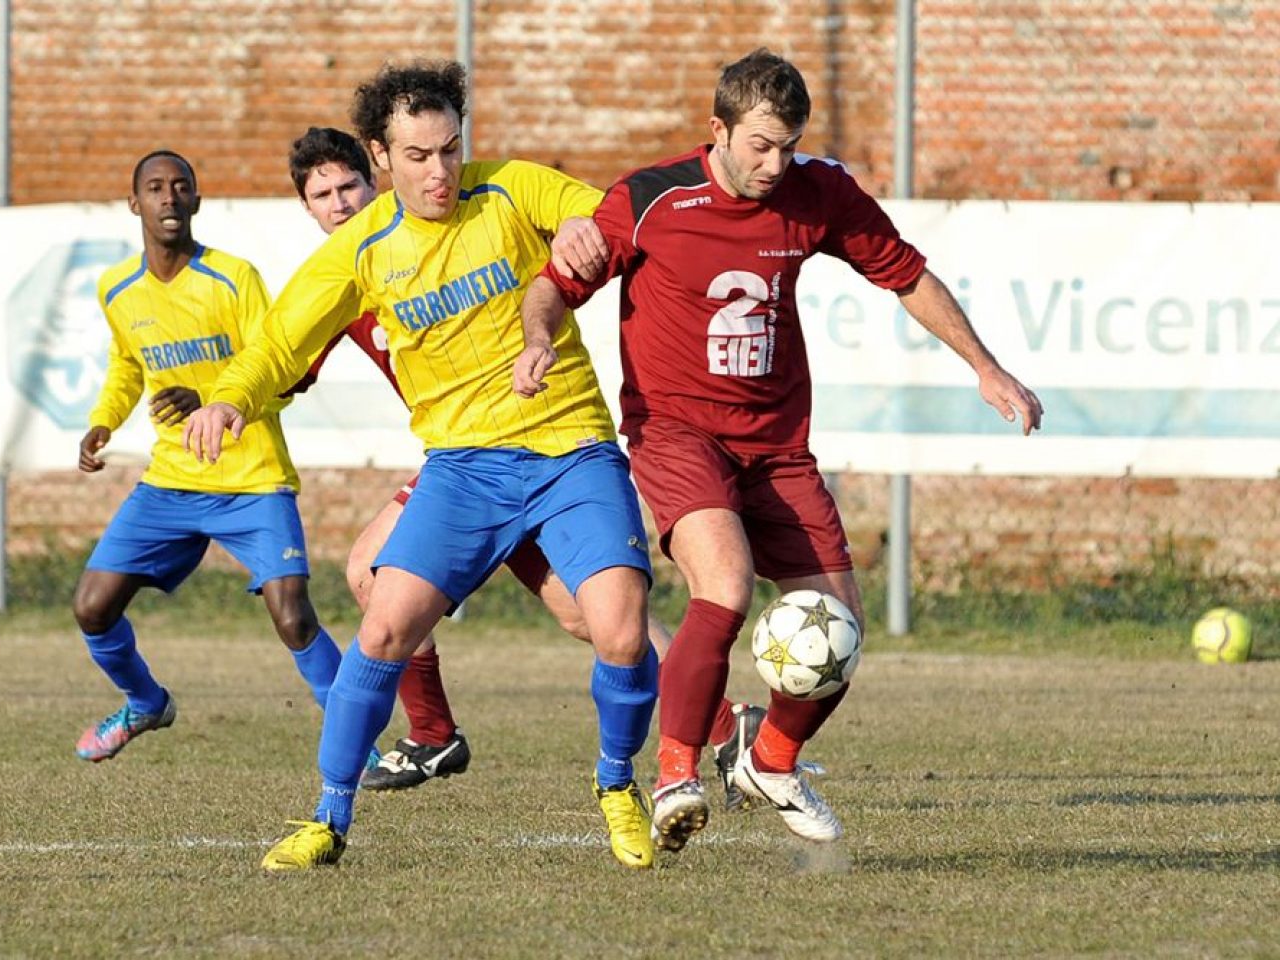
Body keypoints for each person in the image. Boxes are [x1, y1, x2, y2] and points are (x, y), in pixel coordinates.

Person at [518, 49, 1044, 853]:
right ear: (718, 130)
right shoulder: (651, 198)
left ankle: (771, 759)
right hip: (676, 432)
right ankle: (678, 771)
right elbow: (555, 283)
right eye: (759, 144)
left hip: (777, 446)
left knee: (842, 629)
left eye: (788, 145)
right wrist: (538, 340)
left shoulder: (818, 190)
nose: (774, 164)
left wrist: (985, 366)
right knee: (723, 587)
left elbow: (906, 276)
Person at [184, 63, 659, 871]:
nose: (438, 172)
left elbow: (613, 211)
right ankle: (328, 820)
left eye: (449, 150)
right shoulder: (361, 250)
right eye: (416, 156)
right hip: (463, 470)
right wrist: (231, 398)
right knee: (382, 625)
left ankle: (617, 785)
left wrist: (592, 231)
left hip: (569, 446)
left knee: (616, 631)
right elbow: (279, 339)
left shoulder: (508, 191)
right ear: (381, 156)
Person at [285, 126, 764, 798]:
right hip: (469, 463)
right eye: (322, 196)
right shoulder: (355, 273)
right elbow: (282, 360)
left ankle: (436, 734)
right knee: (576, 616)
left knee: (380, 570)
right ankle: (721, 725)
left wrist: (572, 225)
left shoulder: (462, 220)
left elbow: (587, 214)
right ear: (308, 210)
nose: (340, 203)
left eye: (348, 188)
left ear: (376, 176)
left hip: (533, 446)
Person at [72, 150, 347, 768]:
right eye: (155, 188)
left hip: (252, 477)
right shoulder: (116, 287)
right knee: (91, 605)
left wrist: (213, 398)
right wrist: (102, 421)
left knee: (294, 617)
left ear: (196, 201)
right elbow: (127, 364)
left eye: (181, 187)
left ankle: (361, 742)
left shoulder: (233, 278)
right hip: (171, 482)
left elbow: (283, 370)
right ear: (134, 203)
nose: (168, 197)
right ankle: (144, 703)